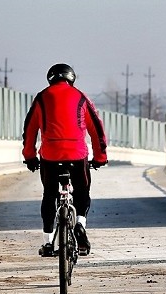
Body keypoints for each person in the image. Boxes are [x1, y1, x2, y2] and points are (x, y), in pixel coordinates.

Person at [22, 63, 108, 257]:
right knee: (82, 191)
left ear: (50, 79)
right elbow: (97, 129)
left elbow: (30, 130)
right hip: (77, 154)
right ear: (72, 78)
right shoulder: (81, 97)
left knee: (49, 195)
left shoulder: (42, 97)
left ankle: (47, 243)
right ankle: (79, 223)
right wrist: (100, 157)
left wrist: (29, 156)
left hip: (50, 155)